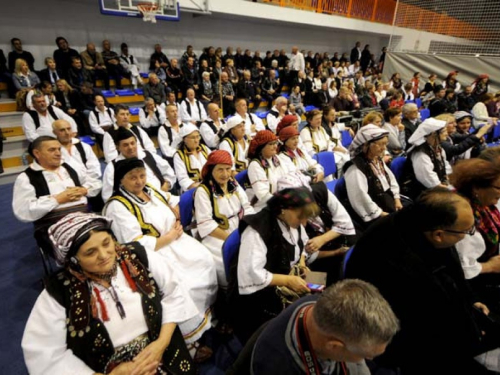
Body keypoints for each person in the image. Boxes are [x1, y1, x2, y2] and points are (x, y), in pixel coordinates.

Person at [345, 188, 500, 375]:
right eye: (467, 231)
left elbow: (452, 269)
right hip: (400, 337)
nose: (468, 234)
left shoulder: (424, 220)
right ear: (439, 234)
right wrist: (469, 329)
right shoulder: (395, 260)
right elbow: (427, 317)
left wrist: (470, 300)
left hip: (428, 318)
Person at [22, 212, 198, 375]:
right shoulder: (59, 291)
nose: (104, 255)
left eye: (107, 243)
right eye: (90, 252)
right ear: (74, 260)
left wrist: (161, 344)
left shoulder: (138, 257)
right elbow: (44, 353)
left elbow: (173, 292)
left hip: (162, 353)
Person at [103, 158, 218, 361]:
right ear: (121, 180)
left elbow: (171, 198)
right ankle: (189, 341)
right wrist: (169, 237)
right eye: (132, 178)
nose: (139, 181)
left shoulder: (150, 190)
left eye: (142, 175)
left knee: (206, 261)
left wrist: (176, 210)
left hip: (175, 242)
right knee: (183, 283)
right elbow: (135, 245)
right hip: (152, 254)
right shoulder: (118, 206)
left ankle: (207, 318)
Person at [227, 187, 319, 344]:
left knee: (323, 286)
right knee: (307, 316)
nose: (304, 222)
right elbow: (253, 273)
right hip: (259, 294)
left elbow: (301, 246)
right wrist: (288, 281)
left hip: (286, 274)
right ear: (283, 209)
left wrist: (302, 264)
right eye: (301, 217)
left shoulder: (293, 222)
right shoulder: (257, 230)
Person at [249, 279, 399, 375]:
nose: (370, 359)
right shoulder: (279, 367)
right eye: (366, 355)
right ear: (334, 347)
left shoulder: (321, 304)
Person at [12, 136, 101, 255]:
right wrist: (57, 199)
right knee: (88, 243)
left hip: (84, 218)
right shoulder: (26, 178)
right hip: (53, 226)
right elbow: (23, 212)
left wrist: (84, 190)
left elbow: (96, 182)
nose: (58, 153)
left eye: (59, 149)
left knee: (107, 233)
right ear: (37, 153)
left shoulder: (69, 168)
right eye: (52, 150)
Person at [194, 150, 254, 287]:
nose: (225, 174)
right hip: (217, 234)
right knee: (230, 259)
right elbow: (206, 224)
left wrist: (250, 227)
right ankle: (232, 290)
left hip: (239, 227)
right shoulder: (203, 191)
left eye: (228, 169)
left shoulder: (233, 184)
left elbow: (246, 207)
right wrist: (231, 240)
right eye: (220, 170)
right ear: (211, 170)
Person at [450, 159, 500, 311]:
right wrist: (490, 266)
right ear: (476, 188)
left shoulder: (484, 205)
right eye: (498, 188)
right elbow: (462, 269)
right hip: (474, 285)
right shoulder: (464, 216)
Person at [342, 125, 401, 228]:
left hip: (387, 202)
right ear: (366, 145)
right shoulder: (355, 168)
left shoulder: (377, 159)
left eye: (385, 144)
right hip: (374, 213)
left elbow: (391, 180)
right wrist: (383, 214)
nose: (384, 148)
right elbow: (361, 198)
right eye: (380, 144)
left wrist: (397, 199)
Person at [102, 128, 176, 202]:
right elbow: (107, 196)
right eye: (125, 145)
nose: (130, 147)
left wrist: (167, 184)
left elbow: (169, 172)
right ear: (118, 147)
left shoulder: (148, 155)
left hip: (162, 197)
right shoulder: (113, 167)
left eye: (132, 143)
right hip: (135, 206)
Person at [401, 118, 451, 200]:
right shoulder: (421, 154)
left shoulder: (438, 148)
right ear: (434, 134)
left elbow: (445, 166)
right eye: (444, 132)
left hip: (437, 187)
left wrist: (448, 181)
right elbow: (428, 181)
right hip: (423, 193)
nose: (447, 134)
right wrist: (449, 189)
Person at [247, 130, 292, 212]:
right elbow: (263, 195)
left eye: (275, 143)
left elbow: (288, 177)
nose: (275, 146)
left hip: (282, 200)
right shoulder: (255, 165)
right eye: (271, 144)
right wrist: (284, 203)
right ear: (261, 147)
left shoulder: (276, 158)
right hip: (264, 207)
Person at [173, 124, 211, 193]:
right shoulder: (179, 155)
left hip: (210, 185)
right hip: (192, 190)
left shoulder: (204, 149)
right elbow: (183, 179)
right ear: (185, 139)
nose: (196, 140)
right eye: (193, 138)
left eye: (198, 137)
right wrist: (200, 187)